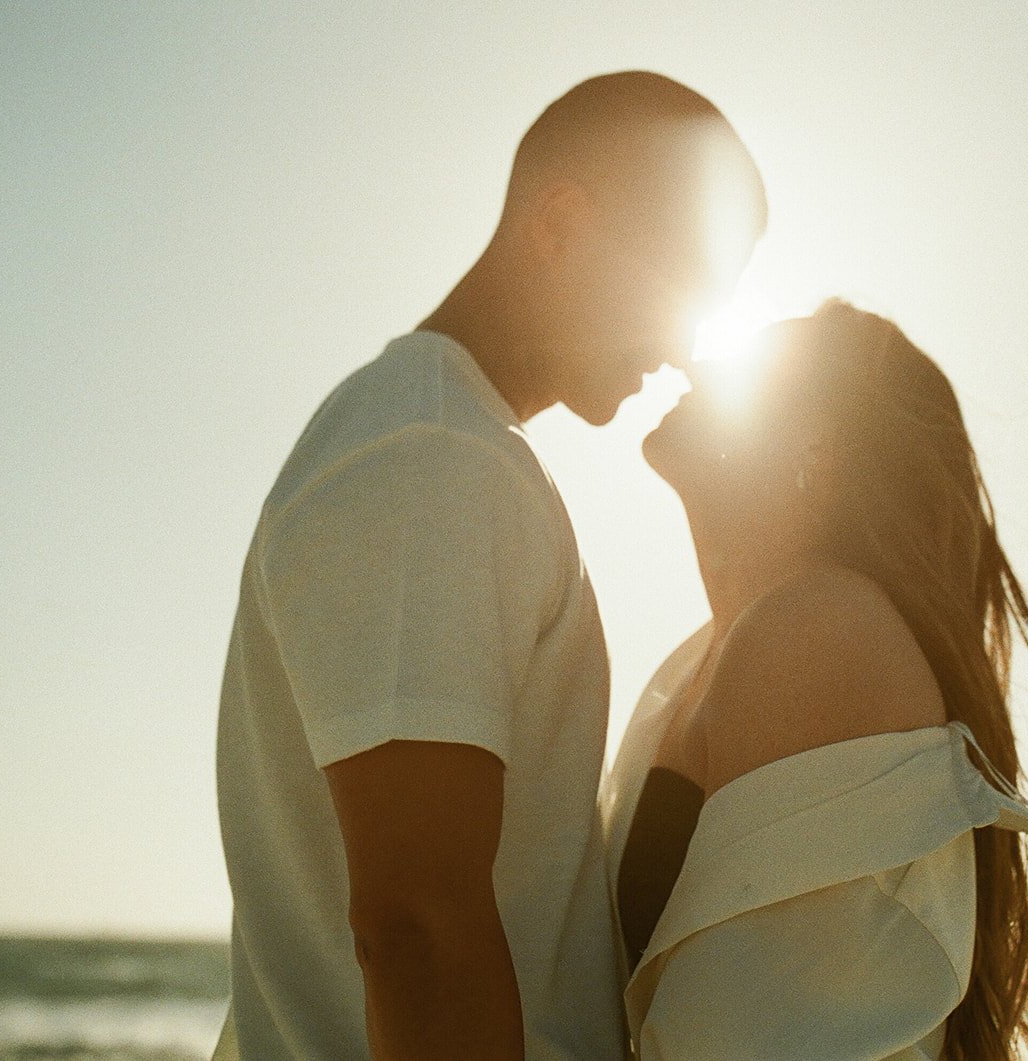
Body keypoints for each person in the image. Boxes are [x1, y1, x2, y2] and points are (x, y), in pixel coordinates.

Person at [213, 72, 765, 1060]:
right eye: (681, 286)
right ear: (560, 225)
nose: (688, 349)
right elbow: (415, 926)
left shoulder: (438, 443)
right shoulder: (431, 453)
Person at [603, 300, 1028, 1060]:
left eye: (757, 357)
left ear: (819, 436)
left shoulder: (821, 632)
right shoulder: (706, 656)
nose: (703, 360)